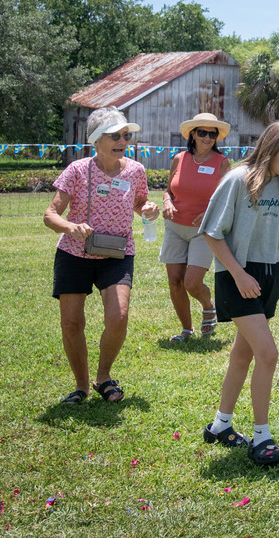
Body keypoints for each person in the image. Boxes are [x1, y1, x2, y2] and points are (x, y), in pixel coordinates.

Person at [198, 120, 279, 466]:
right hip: (237, 275)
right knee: (268, 354)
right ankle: (261, 439)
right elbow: (212, 233)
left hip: (269, 273)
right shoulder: (237, 180)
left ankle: (220, 426)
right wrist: (238, 274)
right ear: (269, 150)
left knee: (244, 354)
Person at [43, 106, 159, 404]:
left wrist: (147, 209)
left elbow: (141, 201)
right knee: (71, 323)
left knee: (118, 316)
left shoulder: (135, 170)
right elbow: (50, 214)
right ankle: (81, 386)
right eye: (114, 136)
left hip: (117, 253)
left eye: (125, 135)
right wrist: (70, 226)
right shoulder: (77, 170)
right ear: (96, 140)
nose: (122, 140)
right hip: (73, 254)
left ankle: (103, 377)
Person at [160, 113, 231, 342]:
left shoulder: (222, 163)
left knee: (192, 282)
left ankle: (208, 304)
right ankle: (186, 330)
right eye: (202, 132)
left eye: (212, 134)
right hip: (175, 227)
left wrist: (209, 213)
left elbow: (229, 198)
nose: (207, 137)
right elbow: (168, 190)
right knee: (175, 281)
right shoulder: (179, 158)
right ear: (193, 134)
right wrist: (167, 202)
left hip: (204, 230)